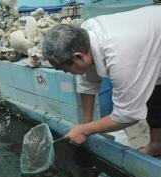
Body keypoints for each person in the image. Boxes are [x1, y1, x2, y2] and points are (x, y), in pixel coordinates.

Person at [42, 6, 161, 156]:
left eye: (66, 69)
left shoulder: (120, 59)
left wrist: (85, 130)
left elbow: (128, 116)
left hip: (147, 41)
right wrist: (86, 125)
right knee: (155, 92)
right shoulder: (85, 35)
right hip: (149, 40)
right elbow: (86, 83)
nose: (69, 73)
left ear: (78, 56)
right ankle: (157, 146)